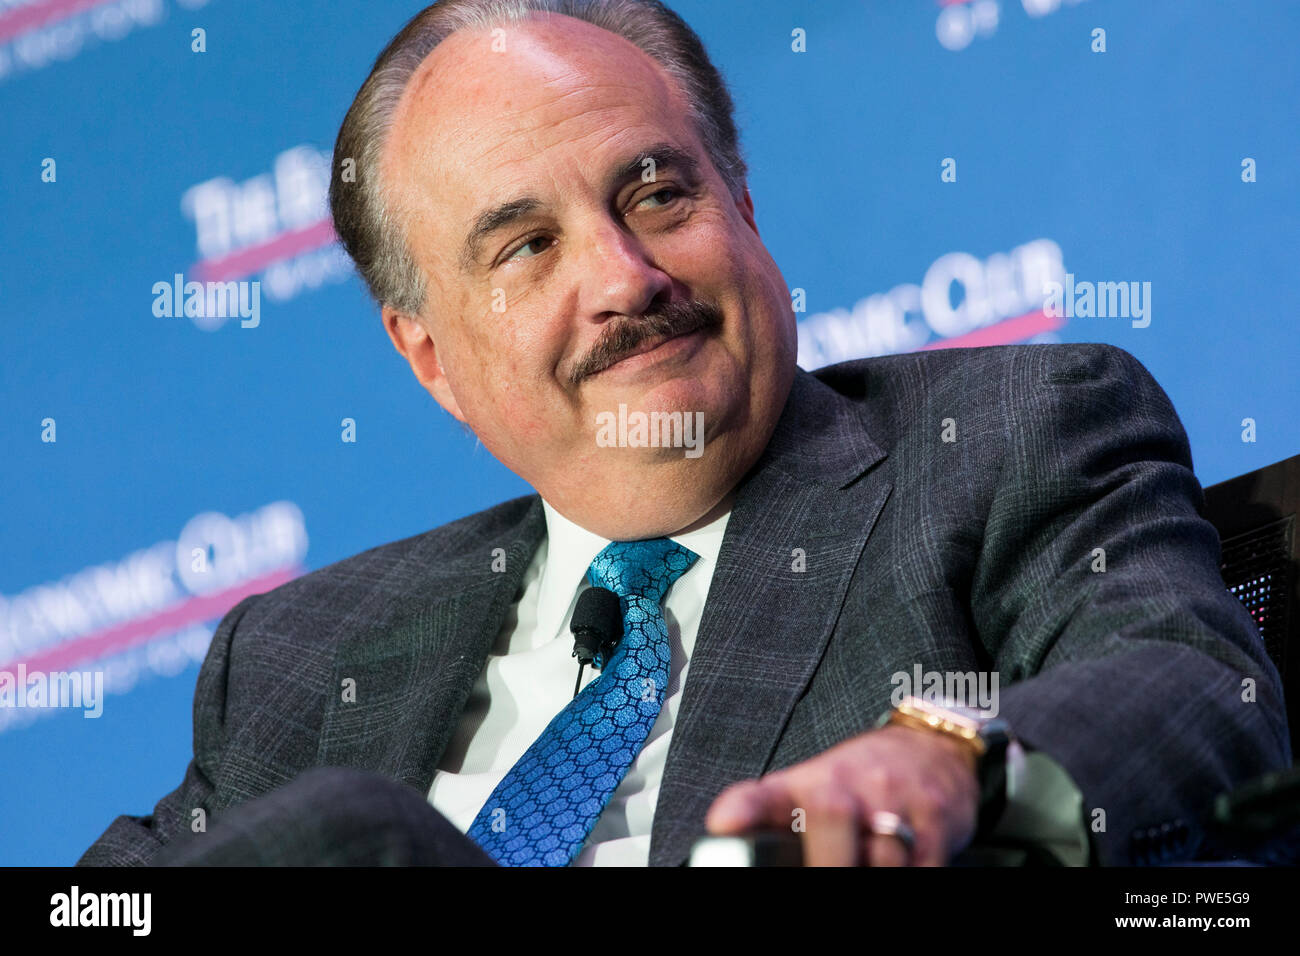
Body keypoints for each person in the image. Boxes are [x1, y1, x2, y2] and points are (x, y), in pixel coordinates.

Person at [78, 0, 1289, 868]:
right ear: (430, 356)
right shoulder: (295, 656)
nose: (623, 276)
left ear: (743, 204)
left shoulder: (1001, 438)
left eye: (657, 193)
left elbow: (1198, 693)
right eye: (526, 245)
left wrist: (951, 763)